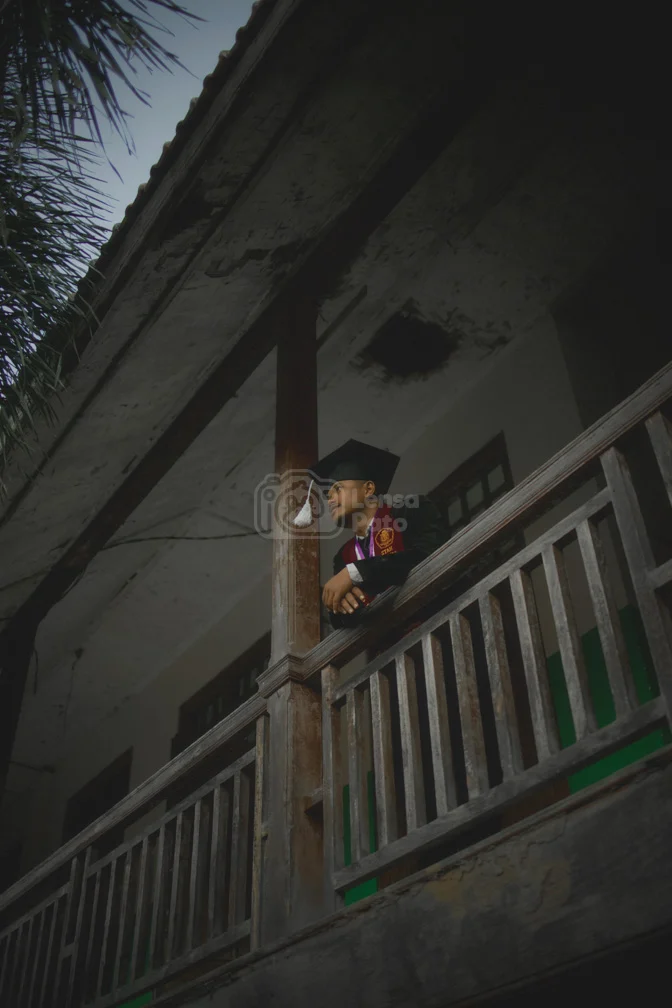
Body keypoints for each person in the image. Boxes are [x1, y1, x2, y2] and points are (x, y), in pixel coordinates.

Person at [297, 440, 446, 628]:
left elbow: (428, 554)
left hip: (438, 627)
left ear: (368, 489)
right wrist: (337, 604)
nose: (330, 500)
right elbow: (346, 620)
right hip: (391, 650)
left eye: (337, 489)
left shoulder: (410, 512)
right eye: (328, 495)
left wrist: (357, 572)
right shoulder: (344, 556)